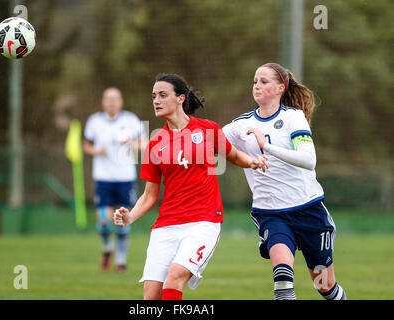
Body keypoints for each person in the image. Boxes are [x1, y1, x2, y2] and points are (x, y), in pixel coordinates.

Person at [113, 73, 268, 300]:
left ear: (180, 98)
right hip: (166, 225)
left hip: (202, 222)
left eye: (163, 95)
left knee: (174, 277)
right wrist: (129, 218)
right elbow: (149, 195)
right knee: (150, 295)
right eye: (154, 96)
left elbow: (233, 155)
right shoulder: (155, 143)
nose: (156, 100)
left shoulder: (208, 130)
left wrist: (252, 161)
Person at [223, 62, 346, 300]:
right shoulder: (240, 125)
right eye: (254, 81)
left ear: (280, 87)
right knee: (282, 279)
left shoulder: (293, 118)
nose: (257, 86)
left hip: (308, 210)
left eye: (264, 81)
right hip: (271, 213)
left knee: (325, 287)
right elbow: (209, 144)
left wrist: (265, 146)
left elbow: (309, 160)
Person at [84, 87, 146, 272]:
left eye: (115, 99)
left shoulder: (131, 120)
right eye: (108, 99)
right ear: (103, 102)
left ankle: (120, 260)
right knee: (103, 220)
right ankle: (107, 248)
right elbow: (86, 145)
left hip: (125, 178)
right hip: (103, 178)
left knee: (122, 221)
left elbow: (145, 144)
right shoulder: (94, 121)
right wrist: (96, 151)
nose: (112, 102)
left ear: (121, 102)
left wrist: (132, 143)